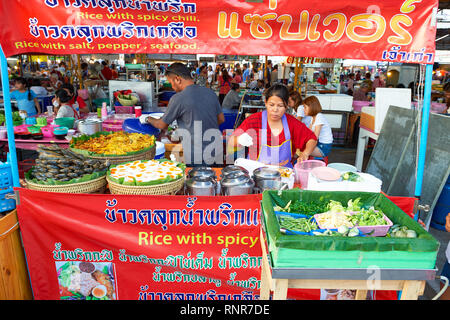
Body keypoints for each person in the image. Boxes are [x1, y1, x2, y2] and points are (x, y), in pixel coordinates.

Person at [140, 62, 225, 166]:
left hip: (196, 157)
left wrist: (146, 118)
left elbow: (161, 124)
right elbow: (221, 119)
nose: (172, 87)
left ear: (177, 79)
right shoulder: (210, 93)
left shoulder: (178, 98)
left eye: (171, 82)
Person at [228, 83, 318, 168]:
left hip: (283, 174)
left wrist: (305, 153)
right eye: (271, 105)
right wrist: (239, 139)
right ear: (265, 102)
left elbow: (312, 139)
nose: (275, 109)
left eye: (280, 106)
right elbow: (231, 141)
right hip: (255, 173)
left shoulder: (292, 123)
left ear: (287, 106)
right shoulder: (254, 121)